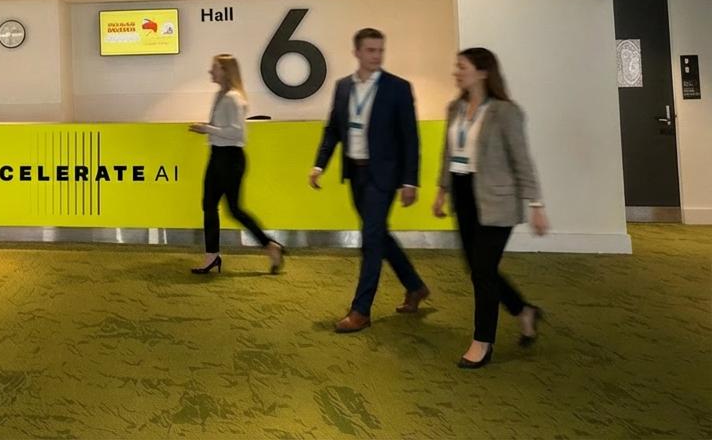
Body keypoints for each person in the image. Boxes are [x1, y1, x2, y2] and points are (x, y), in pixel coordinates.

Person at [433, 47, 549, 368]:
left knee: (483, 271)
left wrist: (536, 204)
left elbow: (521, 159)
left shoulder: (506, 112)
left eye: (462, 67)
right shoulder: (455, 108)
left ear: (482, 72)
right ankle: (523, 310)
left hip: (497, 200)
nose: (456, 72)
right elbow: (448, 153)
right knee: (478, 268)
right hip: (463, 194)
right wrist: (442, 190)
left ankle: (482, 342)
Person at [311, 28, 429, 333]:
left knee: (370, 241)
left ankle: (361, 310)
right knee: (378, 235)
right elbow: (333, 130)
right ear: (357, 52)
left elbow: (410, 138)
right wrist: (319, 165)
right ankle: (415, 286)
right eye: (371, 50)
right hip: (356, 173)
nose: (377, 56)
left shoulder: (398, 88)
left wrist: (410, 181)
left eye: (380, 50)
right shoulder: (343, 87)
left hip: (384, 176)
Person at [189, 54, 285, 275]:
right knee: (209, 205)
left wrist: (207, 129)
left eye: (214, 67)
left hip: (230, 159)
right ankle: (212, 255)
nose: (211, 71)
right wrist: (206, 127)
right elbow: (222, 127)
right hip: (217, 156)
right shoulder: (220, 95)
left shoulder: (233, 98)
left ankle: (269, 245)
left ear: (225, 70)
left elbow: (237, 133)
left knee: (234, 209)